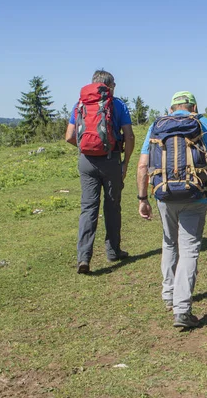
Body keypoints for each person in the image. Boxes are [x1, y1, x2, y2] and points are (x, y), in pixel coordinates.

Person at [136, 91, 207, 328]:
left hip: (163, 194)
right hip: (195, 196)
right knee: (189, 249)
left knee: (168, 243)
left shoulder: (157, 125)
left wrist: (142, 197)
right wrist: (201, 171)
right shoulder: (205, 124)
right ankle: (182, 309)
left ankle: (169, 296)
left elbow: (144, 164)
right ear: (193, 106)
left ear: (172, 108)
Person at [65, 69, 135, 274]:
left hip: (86, 161)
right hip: (111, 159)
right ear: (111, 86)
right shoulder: (118, 104)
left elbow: (69, 136)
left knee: (88, 208)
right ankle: (113, 251)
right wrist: (125, 163)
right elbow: (129, 136)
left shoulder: (80, 104)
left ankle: (83, 258)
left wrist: (86, 149)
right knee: (112, 206)